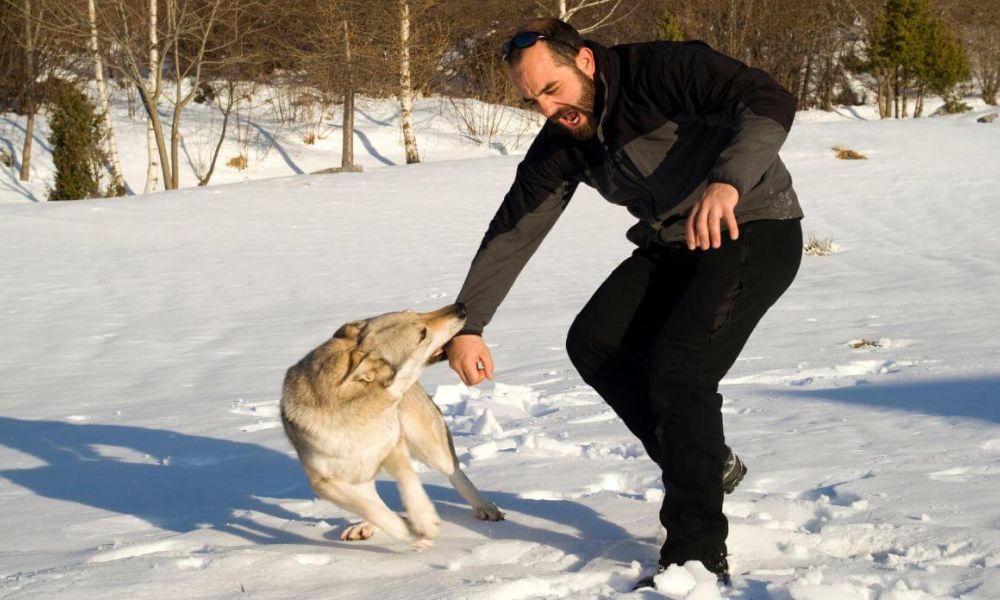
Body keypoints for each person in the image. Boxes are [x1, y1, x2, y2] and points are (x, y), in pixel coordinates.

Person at [445, 17, 803, 587]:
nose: (545, 109)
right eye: (531, 99)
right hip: (674, 242)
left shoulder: (662, 72)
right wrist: (467, 323)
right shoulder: (564, 139)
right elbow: (513, 231)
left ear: (584, 61)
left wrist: (728, 180)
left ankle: (695, 560)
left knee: (680, 367)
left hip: (752, 224)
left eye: (551, 89)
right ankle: (705, 464)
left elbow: (767, 98)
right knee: (596, 341)